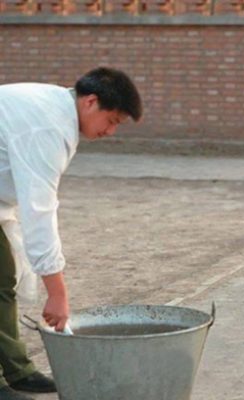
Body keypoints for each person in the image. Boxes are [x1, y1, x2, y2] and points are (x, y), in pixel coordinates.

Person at [0, 67, 142, 400]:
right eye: (112, 121)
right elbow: (40, 212)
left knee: (2, 278)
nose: (110, 132)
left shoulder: (57, 111)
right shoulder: (47, 126)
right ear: (91, 102)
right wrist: (57, 293)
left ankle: (17, 370)